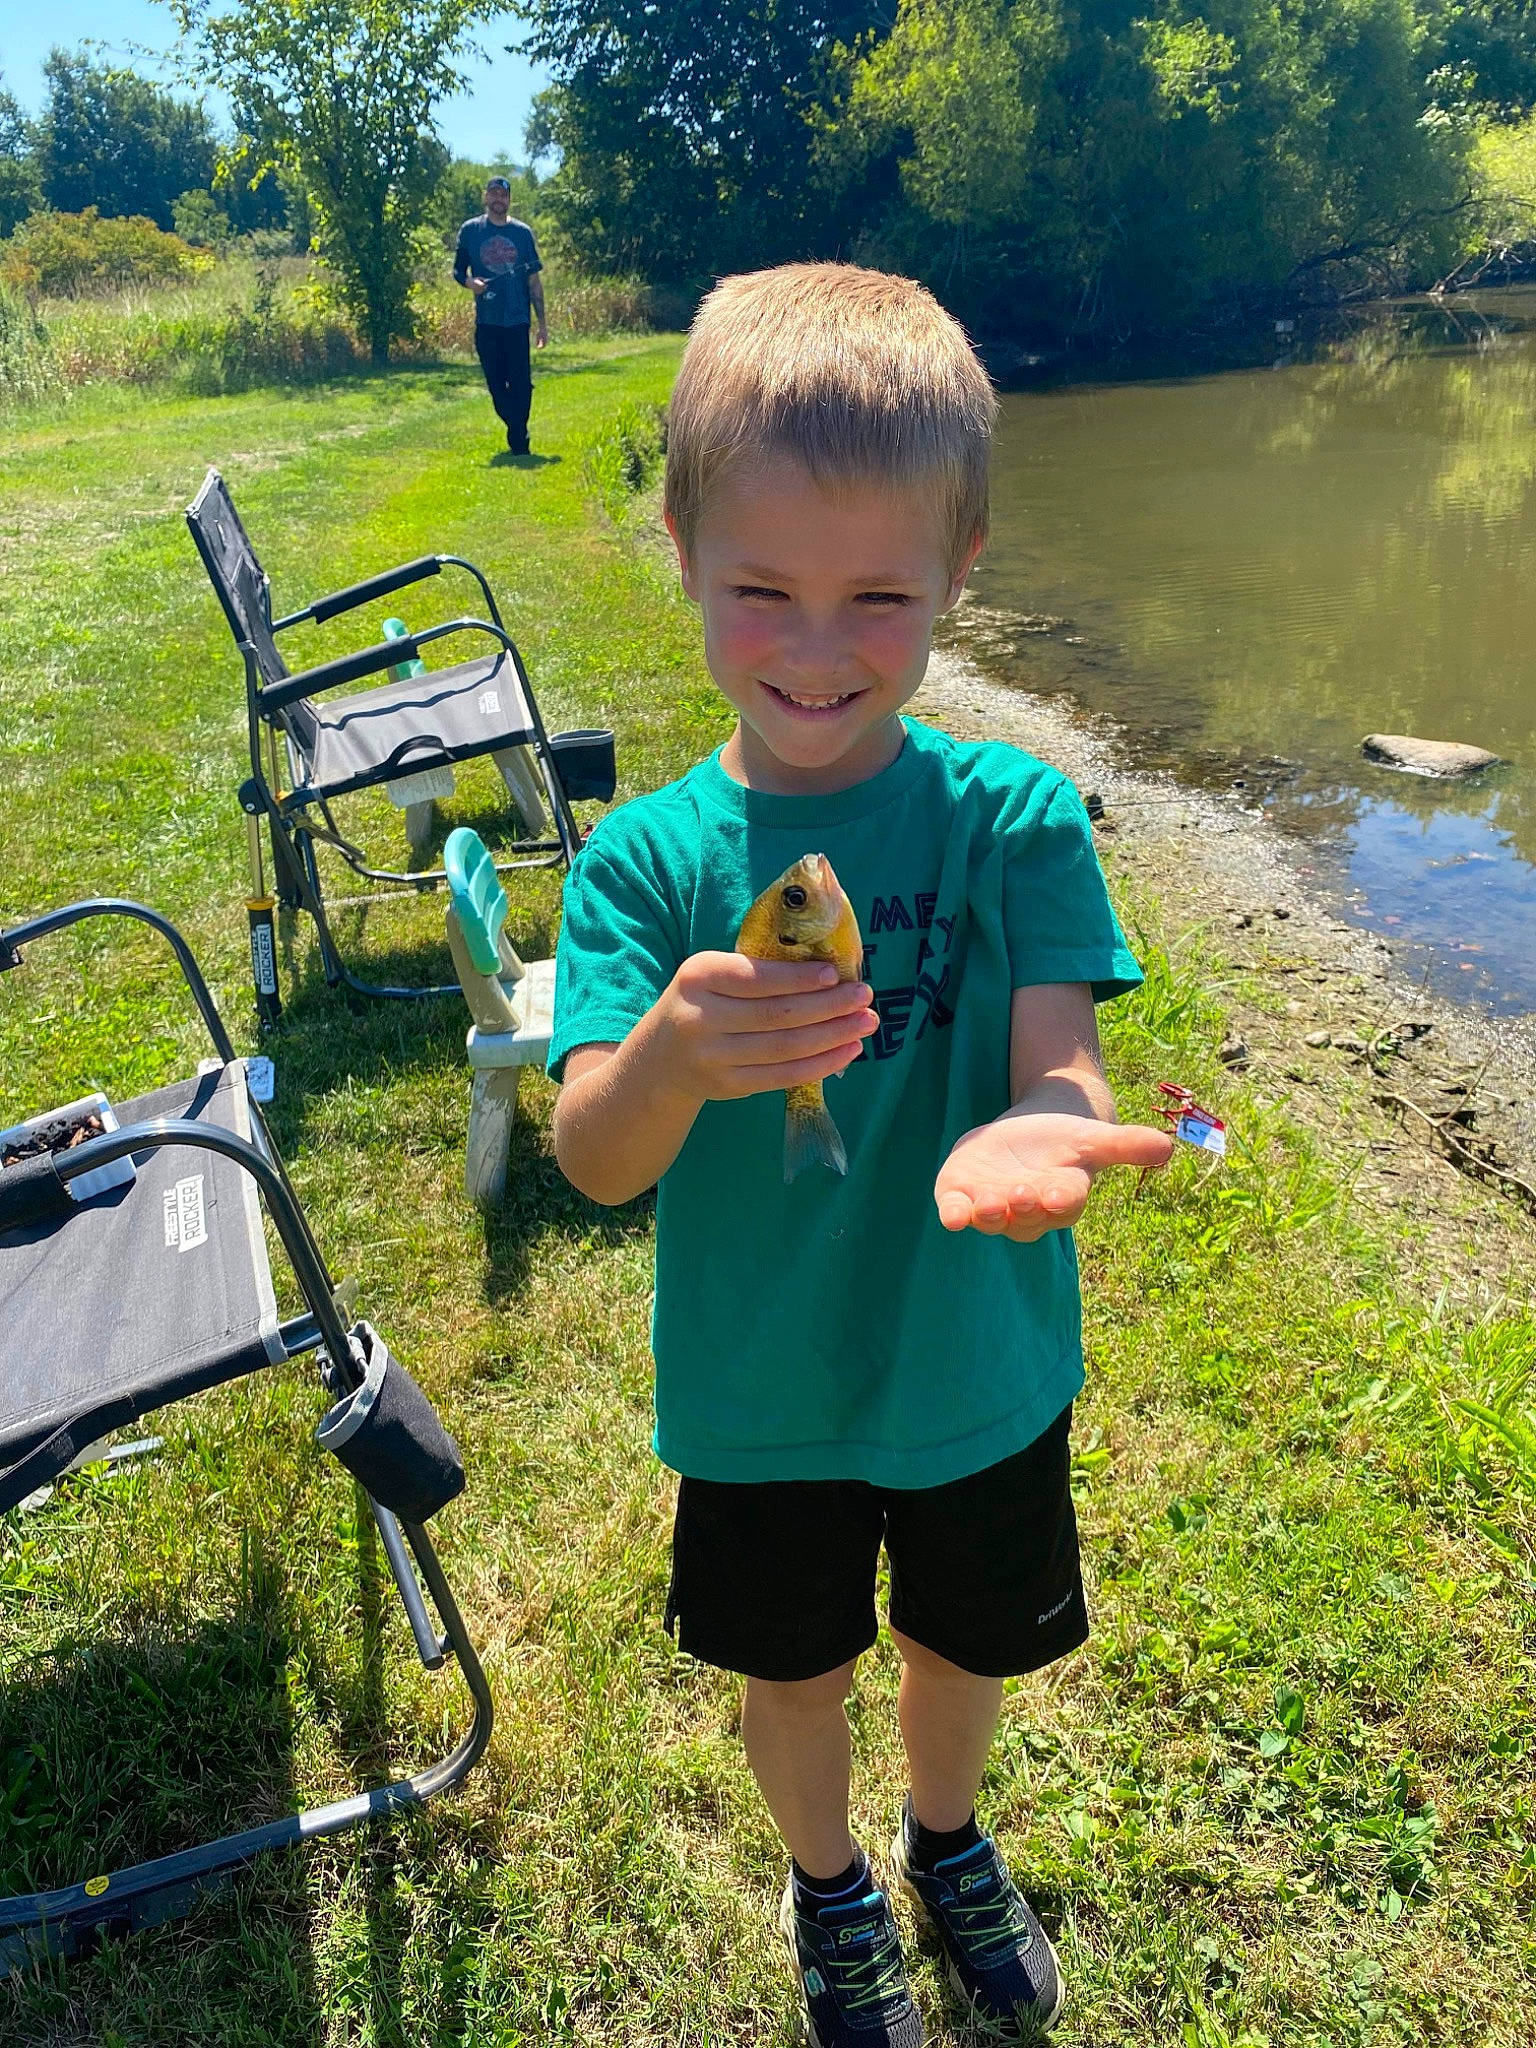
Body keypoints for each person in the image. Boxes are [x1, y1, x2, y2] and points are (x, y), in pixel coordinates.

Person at [547, 263, 1172, 2045]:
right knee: (791, 1662)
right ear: (676, 546)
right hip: (761, 1389)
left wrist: (1044, 1137)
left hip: (970, 1356)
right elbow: (595, 1160)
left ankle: (945, 1837)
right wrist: (672, 1048)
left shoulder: (1018, 816)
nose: (818, 649)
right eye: (763, 590)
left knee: (963, 1642)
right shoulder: (642, 871)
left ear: (960, 575)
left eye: (878, 596)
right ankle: (829, 1881)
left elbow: (1061, 1056)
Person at [453, 176, 547, 454]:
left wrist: (542, 325)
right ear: (486, 197)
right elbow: (458, 271)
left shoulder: (522, 233)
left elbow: (534, 282)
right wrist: (472, 284)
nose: (498, 199)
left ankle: (519, 439)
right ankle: (517, 426)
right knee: (496, 384)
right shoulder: (471, 230)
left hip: (517, 320)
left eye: (503, 195)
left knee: (521, 383)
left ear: (509, 200)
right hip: (487, 321)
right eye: (493, 194)